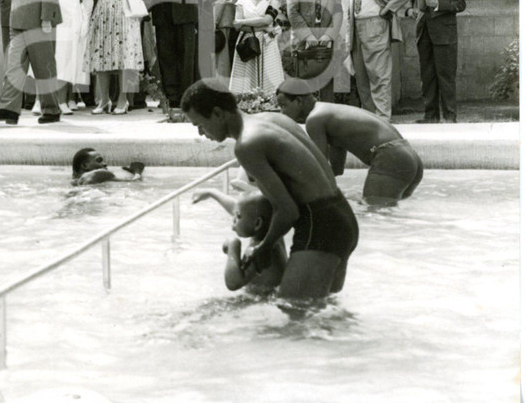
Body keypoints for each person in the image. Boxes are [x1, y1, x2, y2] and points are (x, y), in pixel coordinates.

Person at [181, 79, 358, 300]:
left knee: (293, 312)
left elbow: (287, 211)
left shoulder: (247, 144)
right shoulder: (273, 119)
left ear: (217, 113)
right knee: (320, 314)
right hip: (343, 217)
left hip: (319, 226)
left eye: (199, 124)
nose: (200, 133)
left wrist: (263, 248)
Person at [276, 78, 424, 203]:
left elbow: (319, 165)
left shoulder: (314, 119)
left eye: (283, 106)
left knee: (375, 211)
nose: (282, 112)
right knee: (382, 212)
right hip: (409, 159)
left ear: (299, 101)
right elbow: (336, 169)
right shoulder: (329, 112)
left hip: (390, 158)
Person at [341, 0, 413, 120]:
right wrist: (348, 39)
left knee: (379, 76)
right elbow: (350, 15)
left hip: (376, 27)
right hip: (356, 31)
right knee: (362, 79)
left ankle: (383, 119)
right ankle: (369, 120)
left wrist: (388, 9)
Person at [192, 189, 288, 293]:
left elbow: (233, 283)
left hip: (262, 298)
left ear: (257, 224)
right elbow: (238, 208)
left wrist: (233, 247)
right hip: (267, 294)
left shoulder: (259, 250)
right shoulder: (273, 235)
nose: (233, 219)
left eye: (238, 216)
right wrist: (212, 193)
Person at [411, 0, 466, 123]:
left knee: (446, 76)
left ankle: (450, 117)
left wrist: (439, 4)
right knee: (427, 76)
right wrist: (411, 10)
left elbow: (461, 4)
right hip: (424, 33)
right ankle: (430, 116)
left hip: (445, 34)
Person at [287, 0, 343, 102]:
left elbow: (338, 12)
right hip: (304, 41)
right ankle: (306, 113)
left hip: (326, 40)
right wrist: (308, 36)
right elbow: (293, 12)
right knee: (304, 82)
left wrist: (328, 36)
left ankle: (326, 112)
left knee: (327, 83)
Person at [50, 0, 95, 114]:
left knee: (71, 55)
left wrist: (86, 20)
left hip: (75, 11)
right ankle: (57, 100)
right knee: (59, 55)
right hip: (57, 9)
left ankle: (68, 98)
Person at [229, 0, 284, 97]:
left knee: (269, 76)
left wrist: (243, 22)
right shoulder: (242, 1)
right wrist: (263, 27)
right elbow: (237, 26)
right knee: (246, 78)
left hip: (266, 42)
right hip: (247, 42)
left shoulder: (272, 0)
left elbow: (267, 20)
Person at [211, 0, 238, 78]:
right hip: (227, 17)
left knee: (221, 55)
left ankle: (222, 81)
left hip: (222, 19)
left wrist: (215, 20)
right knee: (223, 52)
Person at [70, 148, 144, 185]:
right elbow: (135, 181)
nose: (105, 164)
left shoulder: (74, 182)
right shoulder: (98, 174)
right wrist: (137, 171)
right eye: (99, 160)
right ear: (85, 165)